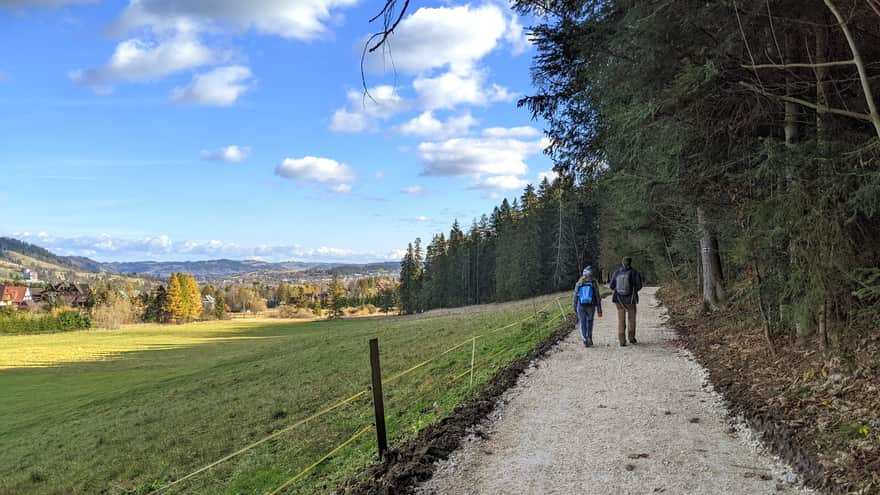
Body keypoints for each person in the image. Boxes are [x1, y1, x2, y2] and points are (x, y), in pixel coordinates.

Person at [609, 257, 643, 346]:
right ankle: (631, 338)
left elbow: (611, 286)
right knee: (631, 319)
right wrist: (633, 290)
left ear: (622, 263)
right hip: (631, 300)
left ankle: (622, 340)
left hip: (618, 300)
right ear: (630, 263)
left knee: (621, 320)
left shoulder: (617, 272)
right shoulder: (634, 272)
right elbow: (639, 286)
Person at [573, 266, 603, 347]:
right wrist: (599, 310)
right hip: (591, 306)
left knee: (582, 322)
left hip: (581, 306)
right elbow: (597, 296)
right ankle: (589, 337)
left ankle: (584, 339)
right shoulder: (593, 283)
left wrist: (574, 307)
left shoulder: (579, 283)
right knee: (590, 321)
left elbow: (575, 296)